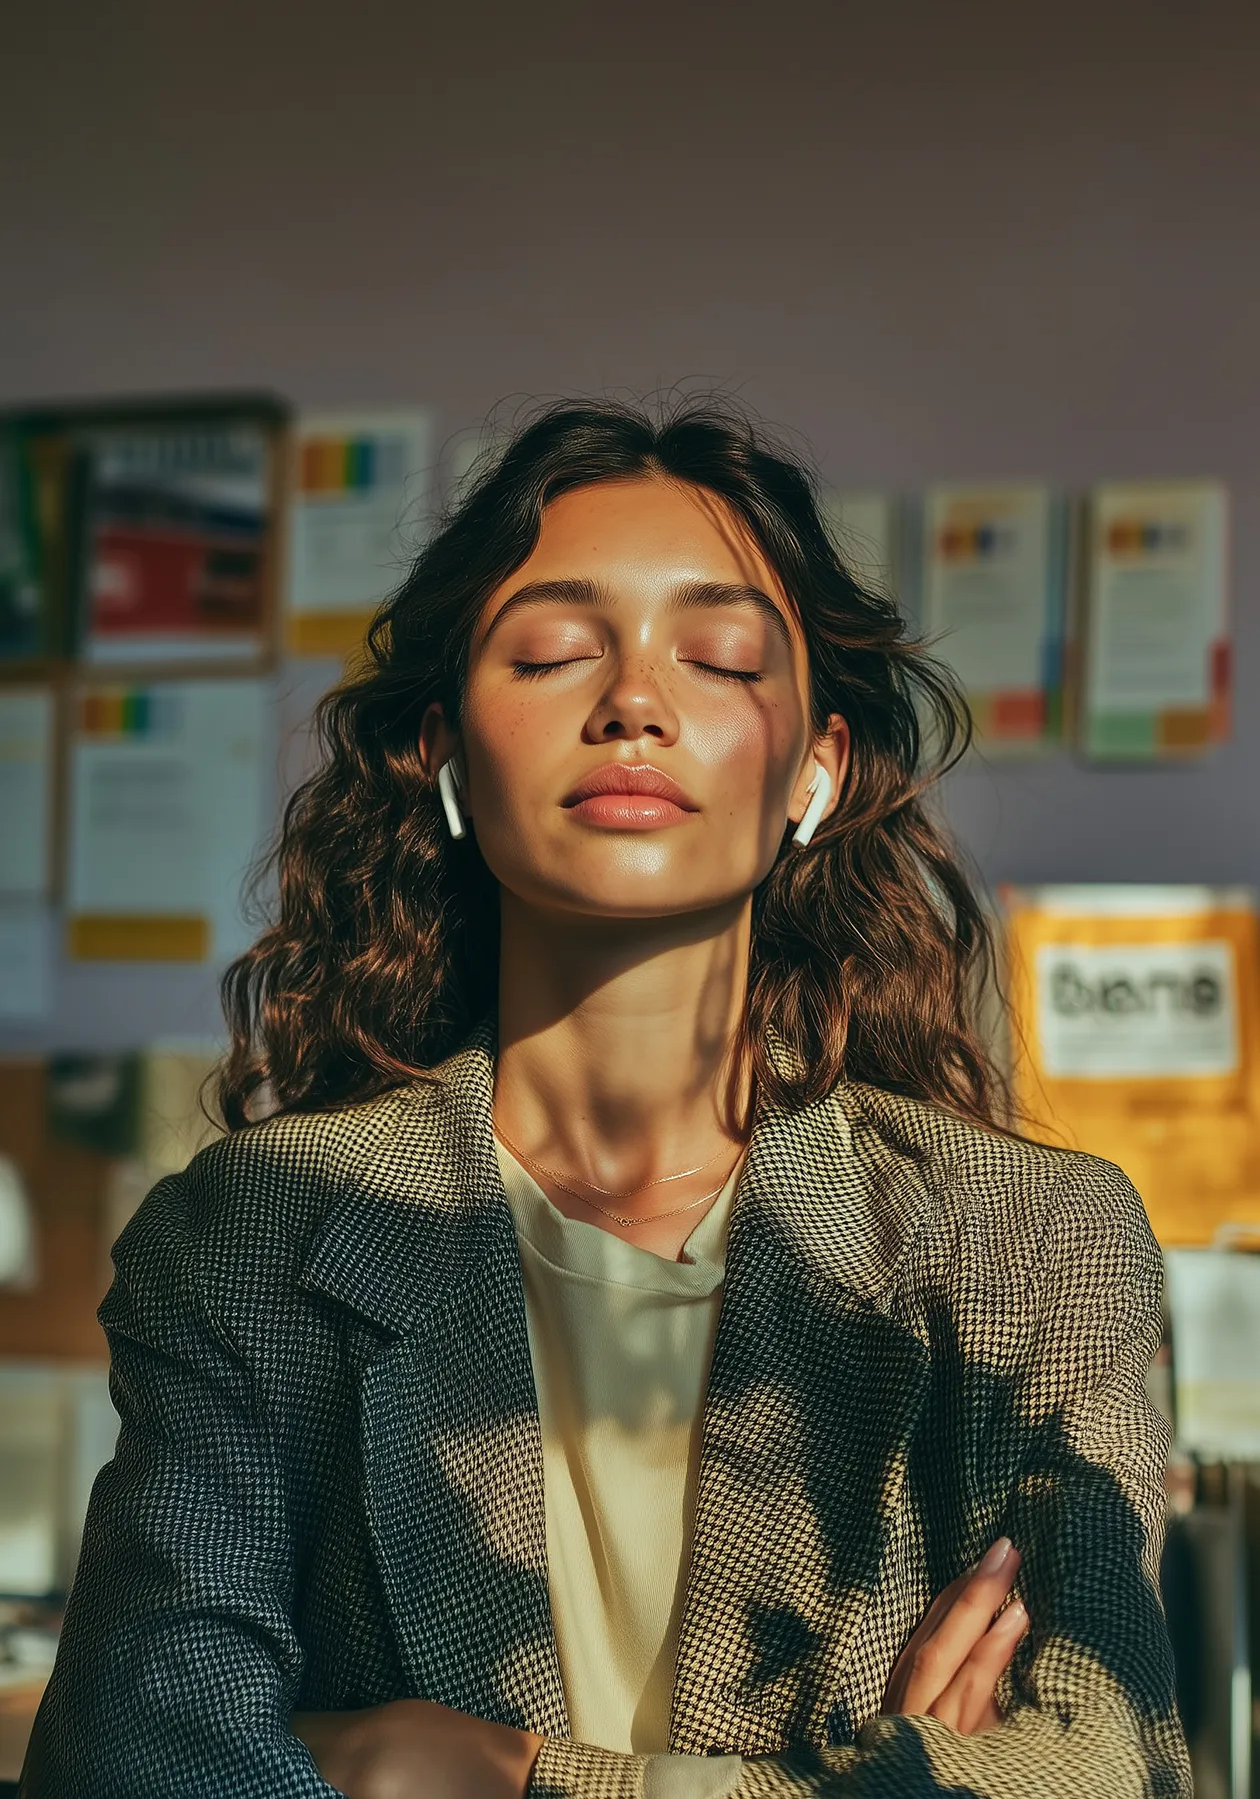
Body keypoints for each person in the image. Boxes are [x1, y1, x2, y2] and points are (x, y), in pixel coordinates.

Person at [21, 399, 1191, 1799]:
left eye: (718, 656)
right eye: (556, 650)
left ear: (815, 767)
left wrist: (497, 1777)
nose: (633, 703)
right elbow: (145, 1767)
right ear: (449, 753)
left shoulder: (1036, 1243)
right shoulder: (251, 1233)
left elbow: (1107, 1766)